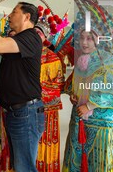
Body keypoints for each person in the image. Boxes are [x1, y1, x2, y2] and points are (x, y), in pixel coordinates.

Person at [0, 2, 44, 172]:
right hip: (16, 112)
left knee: (24, 167)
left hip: (26, 112)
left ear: (27, 17)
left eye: (14, 12)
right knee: (19, 165)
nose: (10, 16)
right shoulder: (16, 41)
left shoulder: (31, 37)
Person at [62, 30, 113, 172]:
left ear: (97, 40)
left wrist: (89, 105)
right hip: (79, 117)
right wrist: (74, 94)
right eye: (82, 38)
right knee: (78, 156)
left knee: (101, 159)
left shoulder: (106, 60)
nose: (84, 42)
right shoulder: (81, 59)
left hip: (101, 119)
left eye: (89, 38)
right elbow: (74, 84)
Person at [34, 20, 65, 172]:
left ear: (45, 37)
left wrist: (34, 92)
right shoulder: (22, 54)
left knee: (46, 138)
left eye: (38, 33)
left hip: (47, 109)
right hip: (26, 107)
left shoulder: (52, 58)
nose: (34, 35)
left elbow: (58, 84)